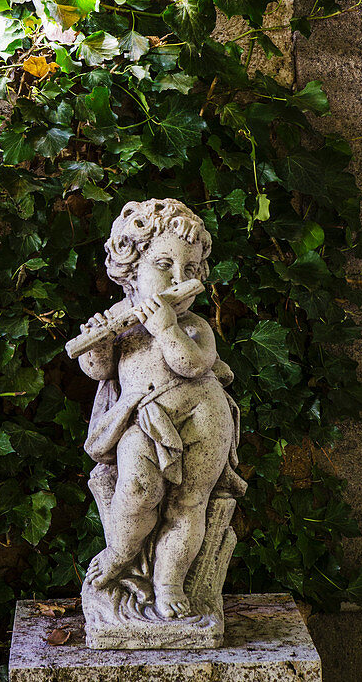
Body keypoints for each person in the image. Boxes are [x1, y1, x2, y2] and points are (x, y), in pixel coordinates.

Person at [79, 198, 242, 622]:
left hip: (204, 420)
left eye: (189, 270)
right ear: (132, 268)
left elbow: (190, 364)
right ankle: (119, 552)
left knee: (189, 504)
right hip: (144, 419)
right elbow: (98, 371)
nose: (177, 278)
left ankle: (170, 582)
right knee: (136, 491)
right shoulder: (120, 319)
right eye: (164, 264)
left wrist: (167, 328)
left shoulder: (193, 325)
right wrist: (96, 344)